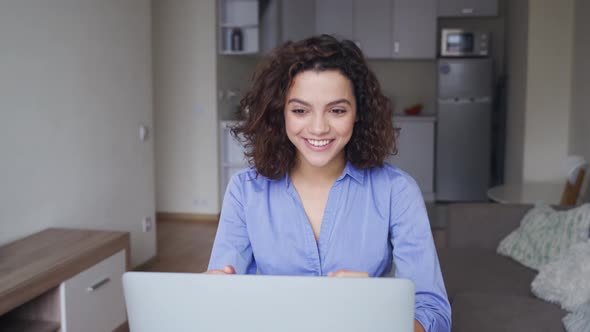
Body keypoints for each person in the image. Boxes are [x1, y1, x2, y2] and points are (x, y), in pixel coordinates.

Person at [206, 35, 451, 332]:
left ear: (358, 113)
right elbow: (222, 296)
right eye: (300, 110)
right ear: (279, 113)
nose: (319, 127)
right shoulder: (244, 191)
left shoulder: (397, 192)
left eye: (337, 110)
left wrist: (376, 310)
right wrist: (216, 294)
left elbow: (433, 313)